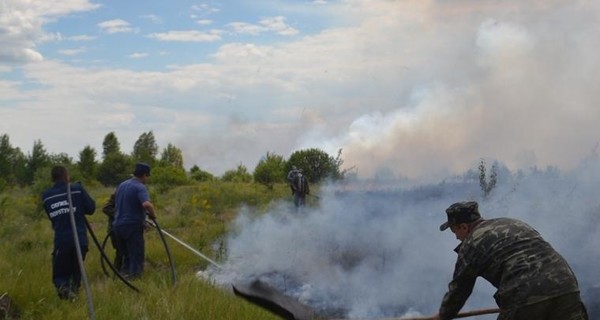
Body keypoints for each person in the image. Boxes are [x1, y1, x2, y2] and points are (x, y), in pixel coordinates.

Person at [433, 201, 588, 320]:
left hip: (525, 295)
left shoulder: (471, 244)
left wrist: (443, 315)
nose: (455, 236)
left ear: (464, 227)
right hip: (567, 286)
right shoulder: (513, 223)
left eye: (454, 230)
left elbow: (460, 288)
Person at [41, 166, 96, 300]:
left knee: (61, 274)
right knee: (76, 271)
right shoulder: (77, 189)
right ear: (67, 176)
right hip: (80, 240)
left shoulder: (46, 196)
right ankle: (72, 295)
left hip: (62, 241)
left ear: (52, 178)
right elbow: (91, 208)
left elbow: (52, 217)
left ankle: (67, 294)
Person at [112, 162, 156, 279]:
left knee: (126, 256)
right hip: (131, 227)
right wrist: (153, 216)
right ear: (144, 175)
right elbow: (147, 204)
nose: (147, 179)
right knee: (136, 255)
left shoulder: (122, 185)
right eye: (147, 176)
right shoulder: (140, 187)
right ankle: (134, 281)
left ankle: (123, 279)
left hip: (117, 226)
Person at [102, 192, 123, 271]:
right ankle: (117, 273)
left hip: (126, 228)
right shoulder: (117, 195)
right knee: (120, 252)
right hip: (114, 229)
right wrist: (119, 215)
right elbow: (106, 208)